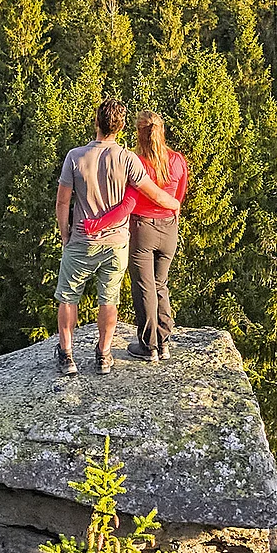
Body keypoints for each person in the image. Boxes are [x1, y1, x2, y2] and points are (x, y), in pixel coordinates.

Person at [53, 99, 176, 376]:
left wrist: (65, 233)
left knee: (68, 298)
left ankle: (67, 355)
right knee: (108, 299)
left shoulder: (75, 157)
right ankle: (104, 354)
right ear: (120, 127)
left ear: (96, 122)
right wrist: (174, 204)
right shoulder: (128, 159)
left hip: (82, 239)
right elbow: (153, 193)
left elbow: (63, 202)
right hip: (116, 242)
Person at [81, 110, 187, 363]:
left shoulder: (138, 162)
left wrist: (96, 224)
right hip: (169, 227)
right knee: (160, 284)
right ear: (162, 130)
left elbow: (128, 204)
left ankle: (148, 346)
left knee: (144, 287)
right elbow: (178, 197)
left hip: (142, 229)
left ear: (138, 133)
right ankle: (163, 341)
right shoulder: (177, 160)